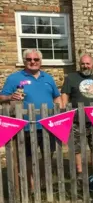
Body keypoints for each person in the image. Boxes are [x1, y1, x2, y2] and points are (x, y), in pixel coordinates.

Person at [0, 49, 61, 189]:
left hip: (48, 125)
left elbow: (57, 96)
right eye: (29, 59)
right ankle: (32, 185)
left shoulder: (48, 78)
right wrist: (10, 97)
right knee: (28, 157)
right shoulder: (14, 78)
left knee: (48, 154)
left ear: (40, 61)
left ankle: (44, 182)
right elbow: (2, 97)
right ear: (24, 61)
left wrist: (59, 110)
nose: (33, 62)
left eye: (36, 59)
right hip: (26, 126)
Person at [61, 54, 93, 175]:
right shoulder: (71, 78)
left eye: (88, 63)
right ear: (79, 64)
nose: (85, 66)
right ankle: (80, 172)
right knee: (77, 148)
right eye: (83, 64)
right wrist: (64, 111)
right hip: (76, 119)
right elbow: (65, 94)